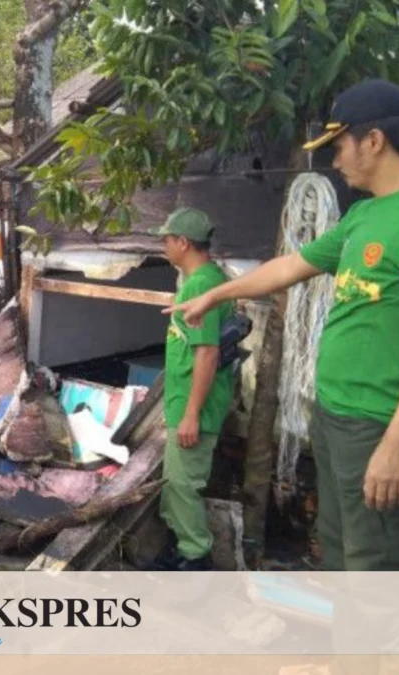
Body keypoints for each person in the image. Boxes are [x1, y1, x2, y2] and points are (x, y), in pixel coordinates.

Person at [166, 79, 399, 572]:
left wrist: (398, 442)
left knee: (381, 575)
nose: (335, 161)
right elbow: (290, 267)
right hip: (334, 416)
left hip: (379, 424)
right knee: (340, 557)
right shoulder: (365, 216)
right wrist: (214, 293)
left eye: (339, 146)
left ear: (373, 140)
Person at [154, 207, 235, 571]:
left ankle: (196, 559)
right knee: (174, 483)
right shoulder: (206, 279)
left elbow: (207, 353)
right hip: (184, 402)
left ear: (183, 242)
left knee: (184, 486)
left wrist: (190, 415)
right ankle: (179, 547)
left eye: (166, 240)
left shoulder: (202, 284)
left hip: (194, 408)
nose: (163, 247)